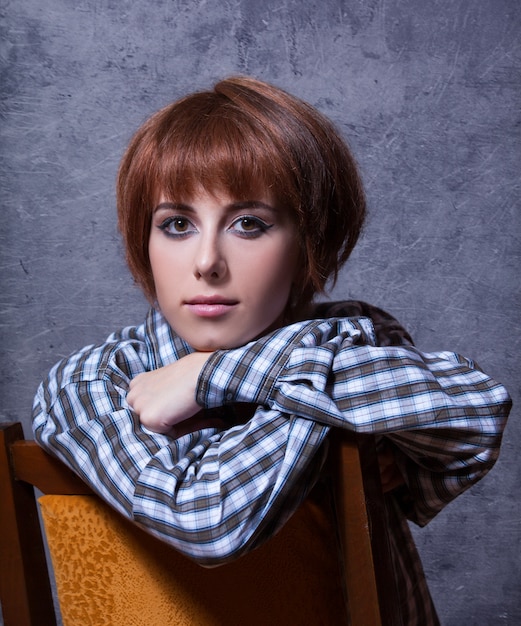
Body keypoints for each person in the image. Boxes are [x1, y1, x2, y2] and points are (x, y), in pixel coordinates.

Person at [33, 76, 511, 625]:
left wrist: (215, 374)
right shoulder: (91, 382)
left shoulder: (361, 335)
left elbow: (478, 409)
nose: (206, 262)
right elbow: (209, 518)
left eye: (249, 224)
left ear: (309, 241)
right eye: (177, 224)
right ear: (144, 240)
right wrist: (313, 395)